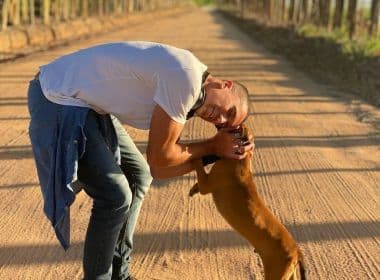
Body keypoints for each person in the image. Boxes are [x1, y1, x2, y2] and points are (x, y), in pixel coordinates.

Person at [27, 41, 253, 280]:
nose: (218, 119)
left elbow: (157, 170)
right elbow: (160, 155)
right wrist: (213, 146)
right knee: (115, 196)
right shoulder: (187, 80)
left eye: (223, 125)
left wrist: (216, 153)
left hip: (88, 104)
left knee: (138, 176)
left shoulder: (191, 94)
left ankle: (119, 275)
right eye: (229, 111)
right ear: (225, 85)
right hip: (58, 97)